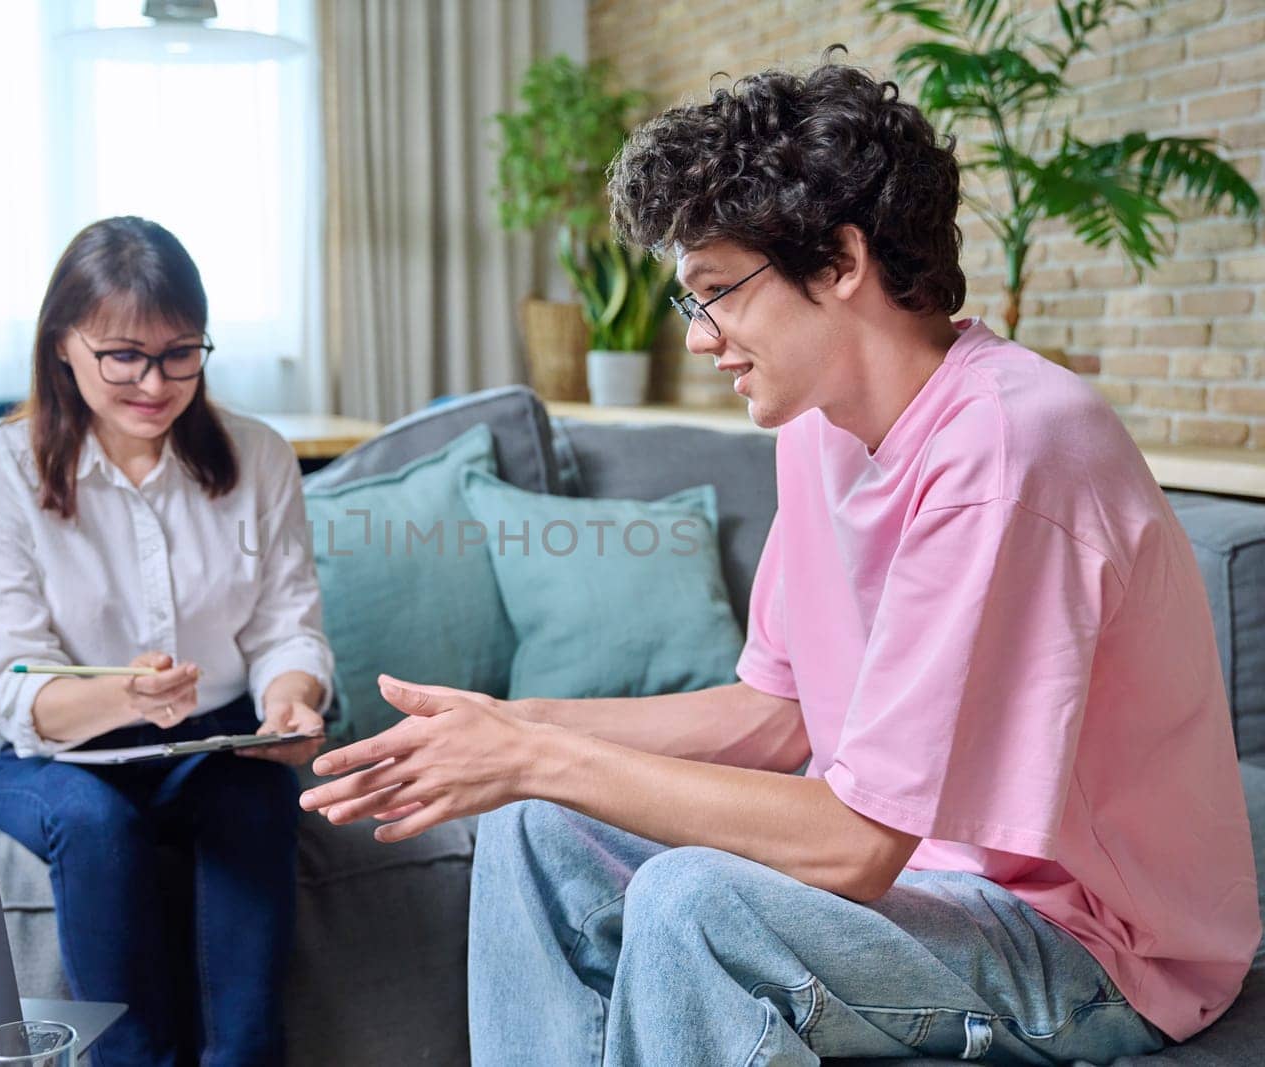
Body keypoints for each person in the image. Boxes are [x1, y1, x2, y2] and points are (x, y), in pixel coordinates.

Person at [300, 57, 1260, 1065]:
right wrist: (507, 728)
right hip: (930, 892)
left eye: (719, 293)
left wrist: (539, 751)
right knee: (535, 825)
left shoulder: (1009, 447)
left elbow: (856, 842)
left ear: (841, 261)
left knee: (694, 899)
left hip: (1092, 947)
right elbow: (773, 716)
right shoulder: (818, 429)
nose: (704, 337)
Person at [0, 216, 332, 1067]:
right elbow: (14, 677)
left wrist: (289, 701)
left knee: (255, 801)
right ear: (64, 346)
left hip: (216, 739)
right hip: (63, 755)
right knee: (94, 825)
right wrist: (125, 694)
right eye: (122, 354)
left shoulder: (259, 456)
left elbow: (285, 625)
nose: (154, 382)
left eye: (180, 353)